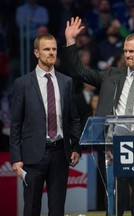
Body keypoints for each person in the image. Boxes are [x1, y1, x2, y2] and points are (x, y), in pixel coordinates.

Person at [63, 17, 134, 216]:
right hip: (112, 145)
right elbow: (79, 72)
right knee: (114, 196)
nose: (127, 55)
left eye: (132, 51)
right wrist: (70, 41)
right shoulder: (112, 75)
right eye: (125, 51)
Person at [9, 33, 82, 216]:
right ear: (36, 53)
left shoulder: (66, 82)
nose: (51, 53)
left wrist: (76, 147)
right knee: (31, 208)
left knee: (57, 209)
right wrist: (16, 158)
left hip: (60, 153)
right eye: (46, 49)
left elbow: (74, 119)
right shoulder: (22, 84)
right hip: (32, 156)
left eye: (54, 49)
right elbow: (16, 124)